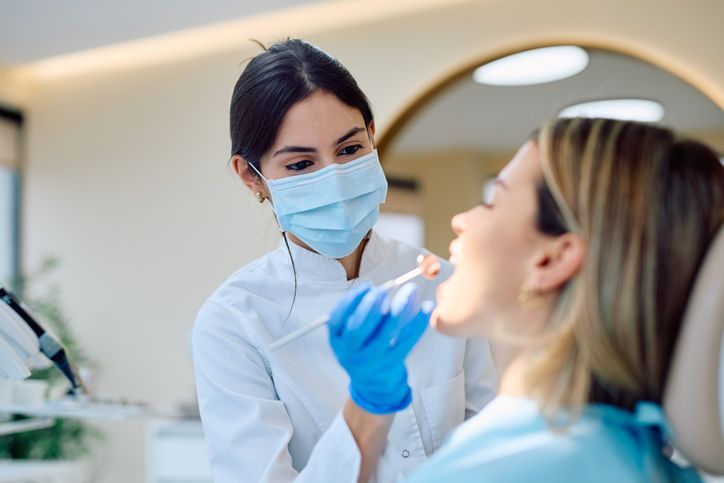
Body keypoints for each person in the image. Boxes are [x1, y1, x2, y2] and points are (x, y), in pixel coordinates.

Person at [327, 117, 724, 482]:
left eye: (492, 202)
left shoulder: (507, 469)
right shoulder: (626, 453)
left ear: (552, 259)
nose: (460, 220)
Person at [191, 38, 496, 483]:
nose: (333, 179)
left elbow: (487, 449)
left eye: (350, 150)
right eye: (300, 165)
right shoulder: (235, 321)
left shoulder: (440, 281)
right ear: (250, 176)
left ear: (372, 135)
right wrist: (365, 406)